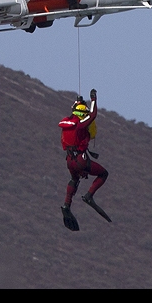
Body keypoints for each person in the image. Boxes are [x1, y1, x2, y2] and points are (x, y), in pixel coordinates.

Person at [59, 88, 111, 230]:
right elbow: (93, 115)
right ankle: (89, 196)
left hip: (70, 161)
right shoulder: (80, 124)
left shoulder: (66, 123)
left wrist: (77, 102)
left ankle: (66, 205)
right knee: (103, 173)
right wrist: (93, 98)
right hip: (81, 161)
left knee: (74, 179)